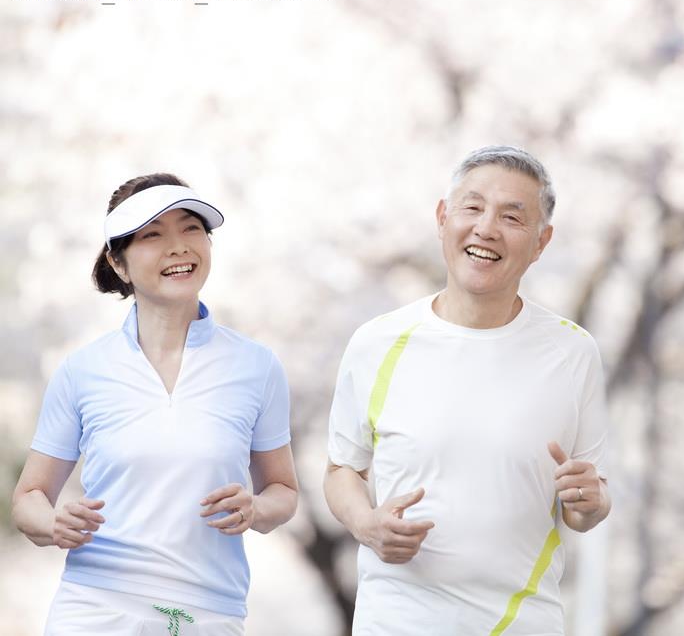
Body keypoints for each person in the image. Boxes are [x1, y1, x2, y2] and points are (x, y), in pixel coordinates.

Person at [324, 146, 611, 635]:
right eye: (472, 208)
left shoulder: (572, 352)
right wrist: (365, 523)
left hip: (520, 622)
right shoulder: (377, 342)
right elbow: (341, 470)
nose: (486, 228)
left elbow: (589, 499)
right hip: (397, 620)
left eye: (512, 217)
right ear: (443, 218)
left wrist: (590, 503)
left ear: (542, 242)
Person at [11, 174, 299, 635]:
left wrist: (256, 509)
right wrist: (53, 523)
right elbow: (28, 499)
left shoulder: (257, 367)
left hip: (210, 612)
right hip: (95, 608)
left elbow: (283, 491)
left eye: (191, 229)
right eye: (152, 235)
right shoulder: (82, 371)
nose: (179, 247)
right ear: (118, 263)